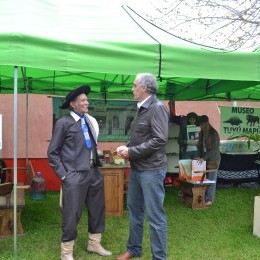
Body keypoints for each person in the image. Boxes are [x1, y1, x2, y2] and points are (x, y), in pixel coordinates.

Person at [47, 85, 112, 260]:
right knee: (72, 213)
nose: (87, 102)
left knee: (98, 209)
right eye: (83, 100)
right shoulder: (63, 123)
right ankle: (66, 252)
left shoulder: (89, 121)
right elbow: (52, 153)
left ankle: (94, 244)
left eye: (86, 99)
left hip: (93, 172)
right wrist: (64, 176)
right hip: (74, 176)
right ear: (73, 104)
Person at [116, 73, 169, 260]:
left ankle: (159, 258)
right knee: (135, 211)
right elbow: (143, 136)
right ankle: (134, 249)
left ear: (144, 88)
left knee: (155, 217)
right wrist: (128, 147)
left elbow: (160, 140)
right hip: (138, 169)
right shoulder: (142, 108)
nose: (132, 89)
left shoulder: (157, 108)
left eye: (134, 85)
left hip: (152, 170)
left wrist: (132, 152)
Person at [197, 115, 221, 206]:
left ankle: (209, 199)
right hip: (205, 158)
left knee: (211, 179)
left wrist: (203, 158)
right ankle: (203, 196)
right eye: (200, 125)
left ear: (206, 124)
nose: (201, 127)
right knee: (203, 178)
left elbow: (215, 149)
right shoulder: (202, 133)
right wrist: (199, 157)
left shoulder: (213, 133)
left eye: (202, 125)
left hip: (214, 159)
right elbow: (200, 147)